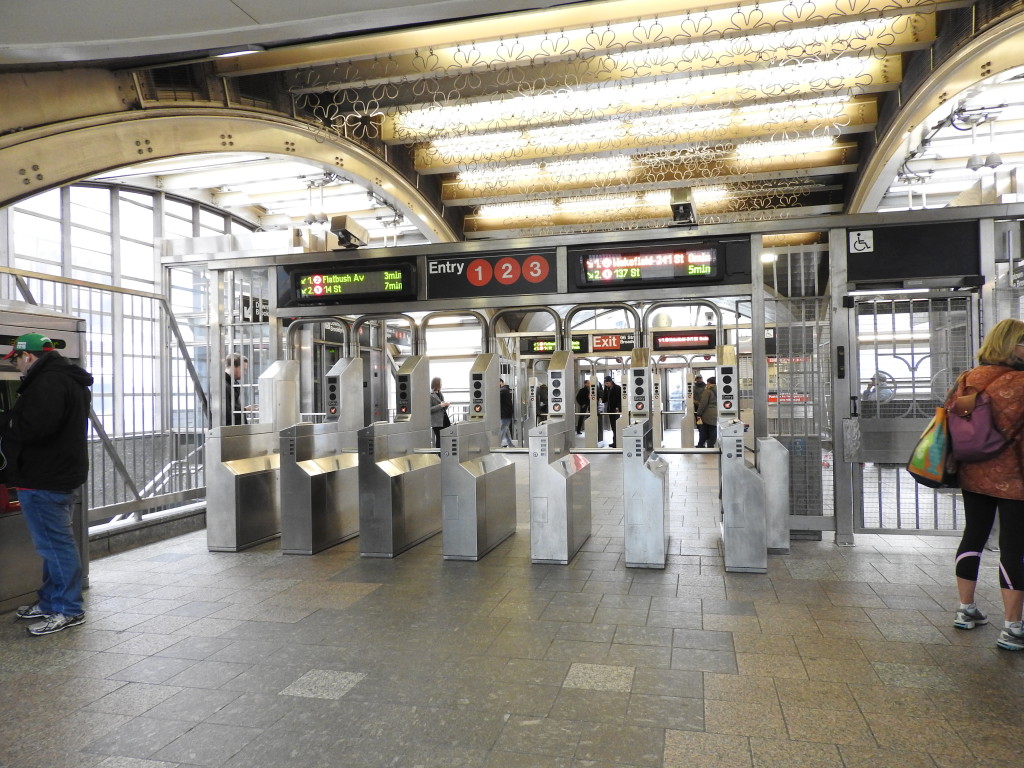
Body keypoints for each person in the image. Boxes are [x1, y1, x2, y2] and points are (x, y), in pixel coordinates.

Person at [0, 333, 93, 636]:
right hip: (56, 474)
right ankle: (52, 600)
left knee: (55, 546)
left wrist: (6, 422)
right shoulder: (67, 378)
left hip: (43, 477)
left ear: (28, 356)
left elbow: (35, 428)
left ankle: (69, 609)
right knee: (54, 544)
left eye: (15, 360)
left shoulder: (48, 383)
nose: (16, 368)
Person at [944, 317, 1024, 651]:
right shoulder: (1021, 382)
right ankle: (1013, 627)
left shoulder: (968, 379)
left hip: (974, 471)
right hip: (1014, 477)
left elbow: (952, 419)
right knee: (1014, 547)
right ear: (1013, 346)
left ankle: (965, 609)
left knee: (973, 535)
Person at [223, 353, 248, 425]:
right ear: (233, 367)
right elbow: (226, 414)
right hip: (228, 432)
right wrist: (245, 410)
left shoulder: (232, 383)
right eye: (243, 369)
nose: (245, 373)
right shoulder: (223, 386)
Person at [695, 375, 718, 448]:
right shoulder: (720, 390)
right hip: (716, 412)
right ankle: (711, 445)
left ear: (710, 383)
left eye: (708, 383)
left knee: (703, 430)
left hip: (707, 413)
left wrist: (698, 413)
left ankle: (700, 445)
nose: (707, 384)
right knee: (713, 429)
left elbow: (703, 403)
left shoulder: (707, 391)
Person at [600, 375, 622, 448]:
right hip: (610, 410)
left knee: (616, 427)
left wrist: (618, 407)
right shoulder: (607, 389)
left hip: (615, 410)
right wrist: (605, 390)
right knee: (613, 427)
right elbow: (604, 400)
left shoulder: (617, 388)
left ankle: (617, 442)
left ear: (611, 382)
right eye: (605, 383)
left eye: (607, 383)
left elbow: (619, 399)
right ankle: (614, 442)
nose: (606, 384)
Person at [430, 376, 450, 449]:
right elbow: (429, 409)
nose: (441, 385)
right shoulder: (430, 395)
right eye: (440, 383)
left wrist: (446, 405)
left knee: (447, 437)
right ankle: (440, 455)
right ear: (436, 384)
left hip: (445, 419)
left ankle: (446, 454)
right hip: (437, 422)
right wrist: (440, 405)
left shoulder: (440, 393)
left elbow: (443, 408)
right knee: (439, 439)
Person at [498, 378, 514, 447]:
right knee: (505, 430)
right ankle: (510, 445)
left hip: (505, 415)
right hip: (506, 414)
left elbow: (493, 397)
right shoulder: (505, 390)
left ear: (501, 382)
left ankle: (497, 446)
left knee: (502, 430)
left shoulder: (503, 390)